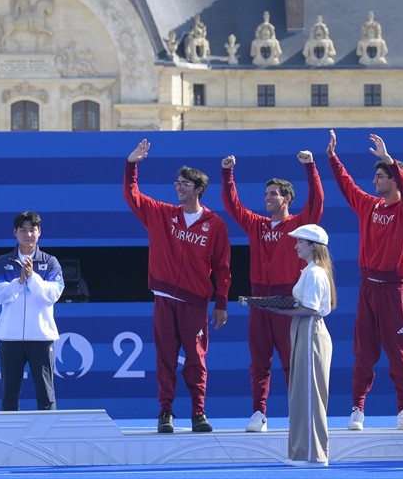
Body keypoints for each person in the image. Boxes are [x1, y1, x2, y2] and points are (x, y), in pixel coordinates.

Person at [124, 139, 232, 434]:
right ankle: (165, 412)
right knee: (165, 359)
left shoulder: (215, 224)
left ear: (198, 189)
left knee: (196, 359)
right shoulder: (162, 214)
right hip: (164, 297)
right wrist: (131, 165)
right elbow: (132, 195)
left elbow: (223, 267)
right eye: (177, 183)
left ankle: (198, 412)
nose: (179, 187)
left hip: (196, 302)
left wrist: (221, 302)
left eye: (185, 184)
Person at [221, 150, 324, 433]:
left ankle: (297, 413)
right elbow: (233, 206)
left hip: (286, 300)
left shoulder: (299, 225)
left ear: (287, 198)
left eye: (274, 194)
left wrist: (310, 167)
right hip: (259, 300)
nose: (267, 197)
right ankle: (259, 413)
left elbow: (317, 202)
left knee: (291, 360)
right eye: (266, 193)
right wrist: (228, 174)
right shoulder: (257, 225)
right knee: (259, 361)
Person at [327, 130, 403, 431]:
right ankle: (357, 409)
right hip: (368, 287)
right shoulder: (369, 206)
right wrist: (332, 158)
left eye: (380, 176)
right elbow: (347, 186)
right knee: (363, 353)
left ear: (394, 179)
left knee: (400, 354)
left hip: (395, 290)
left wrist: (389, 160)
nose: (375, 181)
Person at [261, 224, 336, 466]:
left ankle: (313, 455)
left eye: (300, 242)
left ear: (313, 247)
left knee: (309, 394)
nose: (296, 246)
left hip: (310, 330)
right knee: (302, 393)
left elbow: (311, 308)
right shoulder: (311, 271)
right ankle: (303, 451)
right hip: (304, 329)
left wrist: (275, 308)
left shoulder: (314, 273)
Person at [0, 211, 64, 411]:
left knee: (45, 392)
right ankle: (8, 437)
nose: (28, 234)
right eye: (23, 230)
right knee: (9, 393)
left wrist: (32, 278)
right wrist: (19, 281)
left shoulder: (50, 262)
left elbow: (51, 295)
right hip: (10, 337)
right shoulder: (3, 262)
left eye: (33, 230)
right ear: (15, 232)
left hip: (41, 336)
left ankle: (47, 438)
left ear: (40, 233)